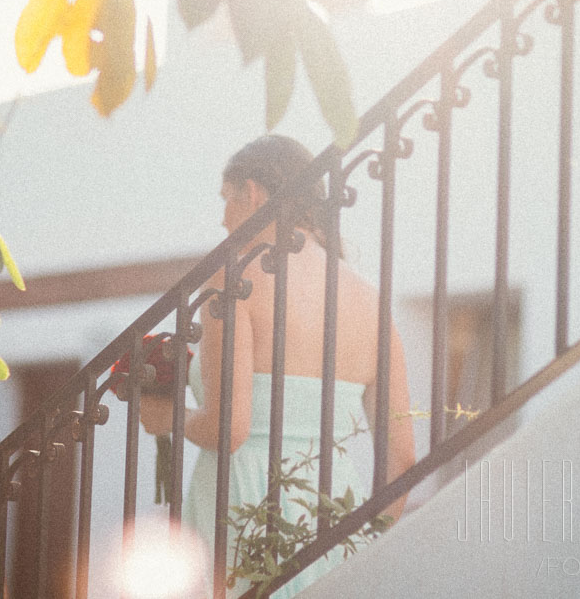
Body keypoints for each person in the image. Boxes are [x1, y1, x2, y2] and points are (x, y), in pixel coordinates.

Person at [139, 135, 417, 598]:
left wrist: (162, 417)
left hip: (243, 507)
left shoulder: (234, 280)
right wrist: (361, 546)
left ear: (253, 193)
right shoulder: (372, 302)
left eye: (226, 199)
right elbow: (403, 462)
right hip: (332, 516)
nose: (222, 218)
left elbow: (228, 429)